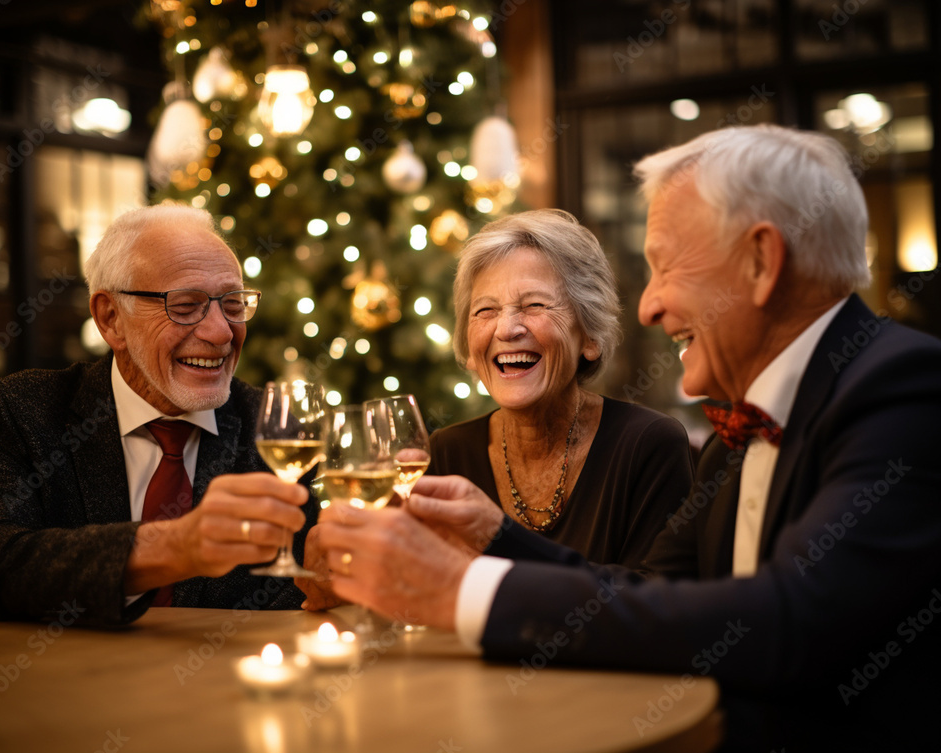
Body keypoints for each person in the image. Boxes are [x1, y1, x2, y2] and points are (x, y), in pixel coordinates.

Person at [314, 125, 941, 751]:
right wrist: (494, 536)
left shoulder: (904, 387)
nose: (648, 307)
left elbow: (792, 621)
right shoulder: (732, 442)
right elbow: (647, 596)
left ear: (760, 261)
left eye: (665, 266)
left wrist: (462, 589)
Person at [0, 204, 314, 626]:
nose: (222, 333)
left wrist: (335, 572)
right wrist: (170, 547)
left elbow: (307, 582)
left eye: (233, 305)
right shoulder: (26, 410)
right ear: (111, 318)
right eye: (186, 305)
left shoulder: (278, 427)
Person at [429, 209, 692, 564]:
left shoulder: (648, 446)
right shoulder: (446, 452)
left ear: (589, 336)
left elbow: (652, 607)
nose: (506, 329)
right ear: (470, 348)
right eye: (485, 311)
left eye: (534, 305)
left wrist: (499, 540)